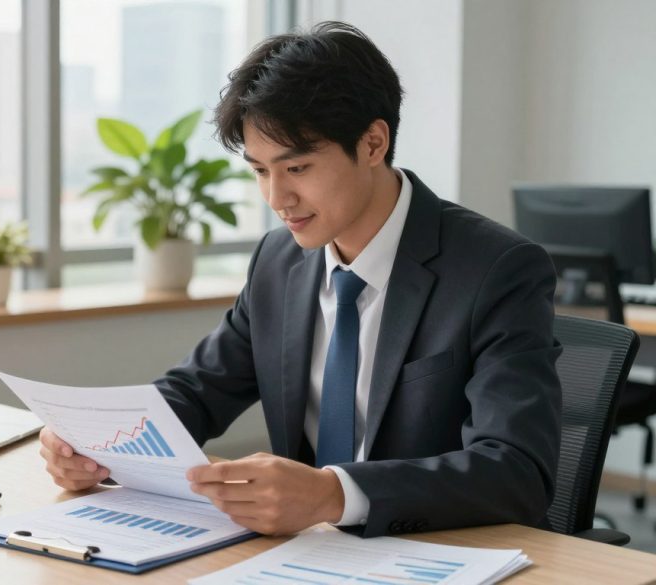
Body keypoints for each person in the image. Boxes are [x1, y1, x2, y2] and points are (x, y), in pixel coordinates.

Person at [38, 21, 561, 538]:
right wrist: (98, 445)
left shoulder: (497, 269)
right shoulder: (278, 260)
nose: (276, 199)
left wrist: (334, 494)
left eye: (298, 168)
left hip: (437, 552)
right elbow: (198, 391)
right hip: (303, 555)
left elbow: (516, 471)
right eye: (261, 170)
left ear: (373, 143)